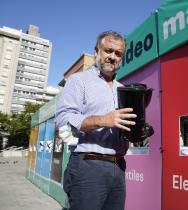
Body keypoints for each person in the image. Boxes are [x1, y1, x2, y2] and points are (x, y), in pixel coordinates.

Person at [55, 30, 136, 210]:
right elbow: (63, 125)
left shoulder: (123, 89)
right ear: (96, 51)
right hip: (87, 167)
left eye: (118, 54)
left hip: (119, 166)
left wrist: (137, 132)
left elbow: (124, 127)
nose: (112, 57)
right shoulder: (78, 81)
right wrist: (103, 120)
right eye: (108, 51)